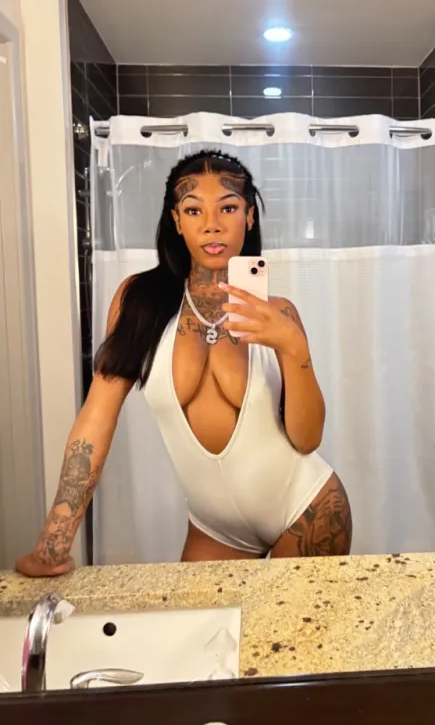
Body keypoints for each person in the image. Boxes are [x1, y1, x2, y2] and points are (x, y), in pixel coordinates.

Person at [16, 150, 352, 577]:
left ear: (249, 217)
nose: (211, 224)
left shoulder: (278, 313)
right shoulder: (140, 302)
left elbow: (307, 440)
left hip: (308, 510)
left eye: (228, 208)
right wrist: (53, 544)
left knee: (278, 624)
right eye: (194, 210)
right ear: (176, 221)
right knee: (191, 623)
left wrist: (293, 349)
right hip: (216, 531)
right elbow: (96, 418)